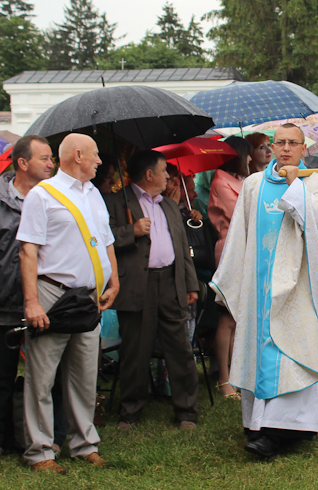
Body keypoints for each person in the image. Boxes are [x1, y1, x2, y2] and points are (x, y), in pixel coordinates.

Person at [211, 124, 318, 459]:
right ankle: (258, 424)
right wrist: (232, 277)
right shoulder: (254, 184)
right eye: (279, 143)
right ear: (270, 147)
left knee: (293, 353)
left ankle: (284, 429)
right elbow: (240, 234)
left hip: (298, 289)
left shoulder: (317, 183)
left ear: (303, 148)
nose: (285, 149)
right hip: (260, 286)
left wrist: (295, 186)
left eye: (292, 143)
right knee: (262, 353)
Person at [17, 133, 120, 473]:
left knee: (85, 375)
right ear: (78, 155)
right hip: (53, 294)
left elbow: (106, 241)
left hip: (90, 298)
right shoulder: (42, 195)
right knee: (42, 377)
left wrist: (114, 280)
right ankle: (41, 451)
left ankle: (83, 444)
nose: (100, 161)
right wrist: (32, 302)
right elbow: (28, 250)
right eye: (95, 155)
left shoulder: (94, 194)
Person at [104, 150, 200, 430]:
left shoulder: (169, 206)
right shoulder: (115, 202)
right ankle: (130, 411)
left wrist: (190, 283)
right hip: (137, 285)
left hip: (170, 282)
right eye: (163, 171)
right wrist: (129, 232)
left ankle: (186, 412)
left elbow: (182, 248)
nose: (168, 176)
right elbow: (102, 239)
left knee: (180, 348)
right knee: (135, 349)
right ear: (149, 175)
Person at [0, 136, 55, 457]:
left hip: (48, 300)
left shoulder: (54, 200)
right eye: (45, 158)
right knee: (1, 375)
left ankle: (47, 435)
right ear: (22, 163)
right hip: (4, 302)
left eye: (52, 159)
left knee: (47, 376)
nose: (52, 165)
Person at [205, 135, 252, 398]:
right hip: (230, 252)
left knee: (239, 317)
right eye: (247, 154)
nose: (250, 159)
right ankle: (224, 379)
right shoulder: (221, 181)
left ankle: (237, 375)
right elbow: (242, 214)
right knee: (228, 315)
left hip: (248, 251)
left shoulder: (244, 180)